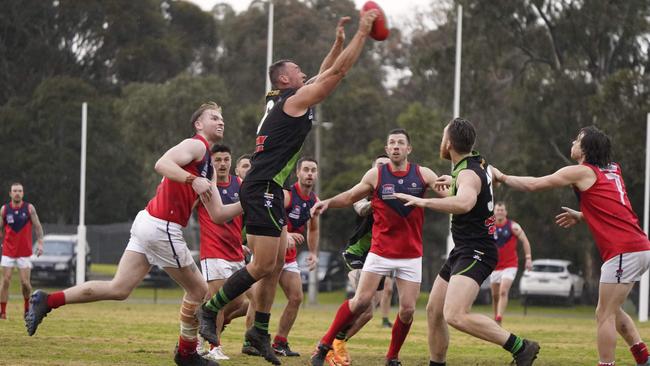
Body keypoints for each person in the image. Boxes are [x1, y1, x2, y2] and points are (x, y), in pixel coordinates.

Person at [197, 11, 380, 366]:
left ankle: (259, 333)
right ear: (284, 78)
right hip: (262, 186)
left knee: (277, 262)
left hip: (269, 187)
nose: (303, 73)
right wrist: (362, 34)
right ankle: (210, 310)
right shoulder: (292, 102)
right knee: (264, 264)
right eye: (297, 70)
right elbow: (337, 74)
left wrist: (338, 43)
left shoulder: (283, 97)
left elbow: (325, 71)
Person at [25, 101, 241, 366]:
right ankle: (186, 354)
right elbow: (161, 163)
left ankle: (48, 300)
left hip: (149, 223)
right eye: (214, 117)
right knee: (198, 289)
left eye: (222, 118)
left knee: (119, 288)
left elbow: (218, 214)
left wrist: (247, 202)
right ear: (199, 124)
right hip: (162, 226)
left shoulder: (208, 168)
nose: (221, 121)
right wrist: (191, 179)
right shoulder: (196, 145)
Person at [491, 126, 650, 366]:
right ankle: (644, 358)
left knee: (603, 314)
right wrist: (583, 214)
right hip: (638, 247)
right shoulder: (613, 170)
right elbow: (615, 211)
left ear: (586, 149)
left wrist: (501, 177)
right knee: (613, 311)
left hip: (624, 250)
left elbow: (535, 184)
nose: (572, 141)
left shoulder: (581, 172)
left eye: (578, 139)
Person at [394, 118, 540, 366]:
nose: (442, 141)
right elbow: (489, 182)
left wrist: (423, 201)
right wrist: (453, 182)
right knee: (434, 310)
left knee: (455, 314)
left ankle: (521, 347)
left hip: (477, 251)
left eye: (443, 136)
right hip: (463, 250)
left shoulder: (468, 174)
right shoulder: (480, 165)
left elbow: (464, 203)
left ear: (449, 143)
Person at [309, 128, 441, 366]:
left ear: (409, 149)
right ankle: (324, 345)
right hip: (380, 251)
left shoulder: (422, 173)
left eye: (401, 143)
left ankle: (392, 357)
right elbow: (350, 196)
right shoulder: (376, 175)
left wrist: (456, 182)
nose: (396, 146)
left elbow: (445, 188)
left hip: (411, 254)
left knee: (408, 310)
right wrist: (327, 203)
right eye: (392, 143)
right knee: (361, 302)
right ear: (387, 149)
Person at [196, 144, 248, 361]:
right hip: (213, 251)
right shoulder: (205, 187)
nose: (223, 164)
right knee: (218, 300)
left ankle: (202, 329)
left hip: (235, 252)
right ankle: (214, 346)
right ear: (211, 163)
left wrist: (245, 243)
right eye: (218, 160)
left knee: (240, 303)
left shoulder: (241, 185)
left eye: (226, 159)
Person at [272, 157, 320, 357]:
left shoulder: (314, 201)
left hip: (289, 257)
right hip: (270, 253)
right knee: (254, 302)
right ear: (298, 173)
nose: (310, 173)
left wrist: (313, 253)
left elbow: (314, 229)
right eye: (306, 169)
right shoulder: (287, 195)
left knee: (296, 297)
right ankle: (250, 340)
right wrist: (287, 235)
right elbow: (273, 217)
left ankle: (279, 342)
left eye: (313, 170)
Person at [0, 182, 44, 319]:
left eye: (19, 191)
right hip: (8, 251)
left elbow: (37, 227)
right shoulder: (4, 210)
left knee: (25, 283)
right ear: (10, 193)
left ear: (23, 193)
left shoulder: (29, 208)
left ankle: (26, 309)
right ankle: (2, 312)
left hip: (24, 253)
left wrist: (40, 243)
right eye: (15, 191)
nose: (17, 193)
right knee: (5, 280)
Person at [490, 201, 533, 325]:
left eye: (502, 210)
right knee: (495, 295)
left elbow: (525, 241)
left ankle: (499, 317)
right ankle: (495, 318)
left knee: (503, 291)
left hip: (510, 265)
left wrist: (528, 258)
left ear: (506, 212)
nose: (500, 212)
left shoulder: (513, 226)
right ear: (494, 211)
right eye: (498, 210)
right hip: (494, 266)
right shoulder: (489, 225)